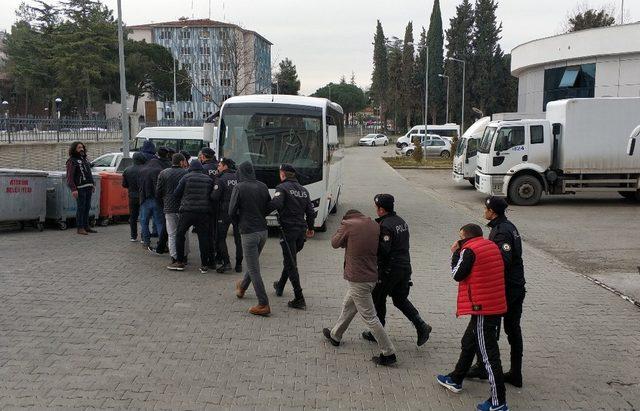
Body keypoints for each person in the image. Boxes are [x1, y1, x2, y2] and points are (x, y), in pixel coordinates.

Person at [436, 223, 509, 411]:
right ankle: (456, 378)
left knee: (489, 355)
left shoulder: (468, 250)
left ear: (465, 237)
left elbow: (457, 274)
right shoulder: (490, 245)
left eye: (460, 237)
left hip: (483, 308)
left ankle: (498, 402)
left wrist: (455, 253)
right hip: (493, 302)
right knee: (468, 341)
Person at [323, 209, 397, 366]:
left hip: (358, 278)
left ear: (347, 217)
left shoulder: (348, 224)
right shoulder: (374, 225)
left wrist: (342, 228)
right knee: (348, 305)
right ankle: (335, 335)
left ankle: (389, 352)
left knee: (370, 317)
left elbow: (335, 243)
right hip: (371, 275)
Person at [466, 197, 526, 388]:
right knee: (512, 329)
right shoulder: (507, 226)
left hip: (506, 288)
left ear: (493, 212)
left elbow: (502, 260)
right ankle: (515, 373)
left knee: (487, 327)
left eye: (486, 208)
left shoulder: (501, 232)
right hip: (515, 286)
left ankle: (485, 368)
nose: (484, 211)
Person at [362, 194, 432, 346]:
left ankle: (377, 334)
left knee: (378, 298)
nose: (375, 210)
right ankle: (421, 326)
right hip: (405, 267)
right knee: (399, 299)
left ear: (381, 209)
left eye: (376, 207)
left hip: (390, 270)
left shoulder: (385, 225)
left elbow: (384, 250)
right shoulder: (401, 221)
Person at [268, 164, 315, 310]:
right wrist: (311, 227)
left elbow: (276, 203)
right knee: (290, 259)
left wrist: (261, 210)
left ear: (283, 174)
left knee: (291, 263)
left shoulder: (282, 188)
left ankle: (299, 298)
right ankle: (280, 285)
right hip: (301, 231)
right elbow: (311, 212)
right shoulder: (304, 190)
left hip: (288, 230)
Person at [230, 161, 271, 317]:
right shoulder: (263, 186)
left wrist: (239, 223)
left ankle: (263, 303)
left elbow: (231, 211)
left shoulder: (239, 187)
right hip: (263, 232)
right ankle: (242, 288)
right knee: (253, 262)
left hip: (248, 232)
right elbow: (268, 207)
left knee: (254, 269)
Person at [167, 159, 214, 273]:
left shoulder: (186, 177)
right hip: (203, 212)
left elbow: (176, 193)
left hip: (187, 211)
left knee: (180, 234)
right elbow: (212, 195)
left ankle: (179, 262)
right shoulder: (208, 179)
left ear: (190, 168)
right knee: (203, 238)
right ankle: (204, 265)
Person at [156, 153, 189, 264]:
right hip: (184, 207)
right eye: (184, 161)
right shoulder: (186, 173)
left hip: (169, 207)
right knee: (184, 233)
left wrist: (163, 201)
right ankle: (184, 256)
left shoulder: (163, 173)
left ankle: (174, 257)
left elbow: (158, 191)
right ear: (181, 162)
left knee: (172, 233)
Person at [211, 158, 242, 273]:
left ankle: (226, 262)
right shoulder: (239, 178)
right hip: (238, 211)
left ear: (225, 166)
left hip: (224, 212)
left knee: (221, 237)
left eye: (219, 165)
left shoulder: (221, 179)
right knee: (238, 239)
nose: (218, 168)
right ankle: (239, 264)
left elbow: (215, 196)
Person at [65, 141, 96, 235]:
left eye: (82, 147)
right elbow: (70, 177)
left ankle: (86, 226)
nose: (81, 149)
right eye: (79, 148)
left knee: (87, 207)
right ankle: (80, 227)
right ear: (74, 149)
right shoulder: (72, 161)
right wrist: (73, 189)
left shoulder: (85, 160)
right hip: (80, 188)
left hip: (88, 187)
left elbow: (89, 173)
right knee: (81, 208)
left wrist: (92, 184)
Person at [138, 148, 164, 248]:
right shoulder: (160, 171)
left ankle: (146, 241)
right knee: (159, 222)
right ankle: (162, 243)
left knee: (144, 222)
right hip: (157, 200)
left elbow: (139, 185)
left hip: (145, 199)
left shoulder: (142, 170)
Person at [122, 152, 146, 242]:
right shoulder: (145, 169)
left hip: (132, 196)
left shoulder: (127, 170)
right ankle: (144, 237)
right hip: (143, 196)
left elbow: (124, 185)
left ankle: (133, 236)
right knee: (144, 217)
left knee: (133, 217)